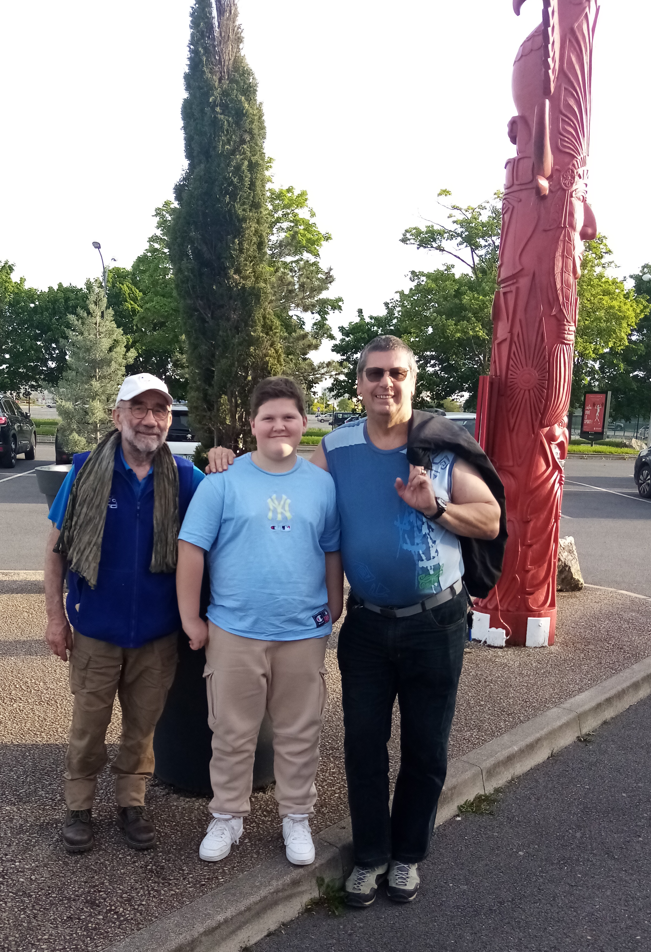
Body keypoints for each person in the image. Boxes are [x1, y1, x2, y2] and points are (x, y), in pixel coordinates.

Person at [207, 337, 501, 905]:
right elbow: (282, 478)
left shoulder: (439, 448)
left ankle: (407, 855)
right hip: (366, 625)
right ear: (359, 383)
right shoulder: (337, 447)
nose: (385, 383)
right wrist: (228, 461)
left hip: (435, 622)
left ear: (412, 380)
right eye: (374, 373)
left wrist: (436, 507)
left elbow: (489, 519)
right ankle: (369, 856)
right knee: (363, 746)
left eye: (396, 373)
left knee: (426, 747)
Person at [176, 376, 343, 867]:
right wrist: (191, 618)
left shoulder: (322, 484)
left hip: (302, 632)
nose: (279, 425)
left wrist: (335, 604)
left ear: (304, 422)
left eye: (288, 416)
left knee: (299, 733)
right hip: (234, 631)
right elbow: (191, 550)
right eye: (268, 417)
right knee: (231, 732)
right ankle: (227, 815)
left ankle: (296, 817)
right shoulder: (222, 481)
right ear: (253, 425)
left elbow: (331, 548)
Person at [44, 373, 205, 853]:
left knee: (142, 728)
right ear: (117, 416)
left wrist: (224, 460)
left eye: (160, 410)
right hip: (96, 629)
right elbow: (55, 552)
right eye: (139, 408)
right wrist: (55, 619)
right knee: (88, 727)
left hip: (156, 633)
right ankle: (78, 807)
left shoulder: (185, 477)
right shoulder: (84, 471)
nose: (149, 419)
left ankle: (131, 803)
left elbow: (232, 504)